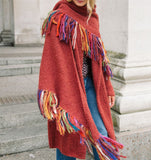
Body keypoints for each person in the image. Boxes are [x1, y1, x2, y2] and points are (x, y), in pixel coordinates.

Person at [37, 0, 126, 159]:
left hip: (91, 86)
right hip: (68, 88)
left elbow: (100, 59)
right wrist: (50, 93)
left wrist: (108, 87)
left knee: (101, 133)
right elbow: (50, 59)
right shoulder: (59, 17)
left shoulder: (91, 18)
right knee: (69, 136)